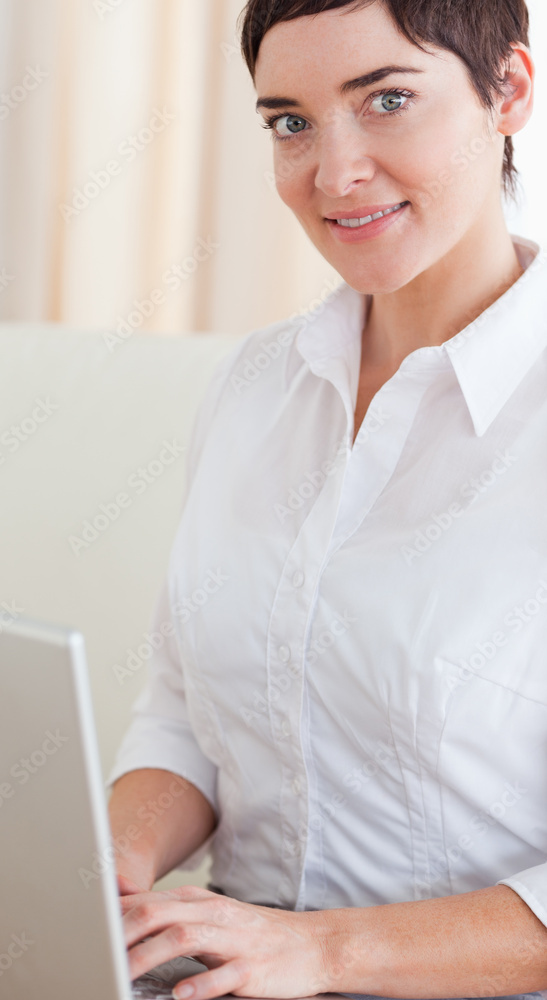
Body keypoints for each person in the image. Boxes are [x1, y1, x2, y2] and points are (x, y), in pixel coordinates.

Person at [108, 0, 547, 998]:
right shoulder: (255, 387)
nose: (334, 172)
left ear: (508, 90)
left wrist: (321, 952)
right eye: (290, 122)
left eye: (386, 100)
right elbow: (184, 715)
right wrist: (110, 866)